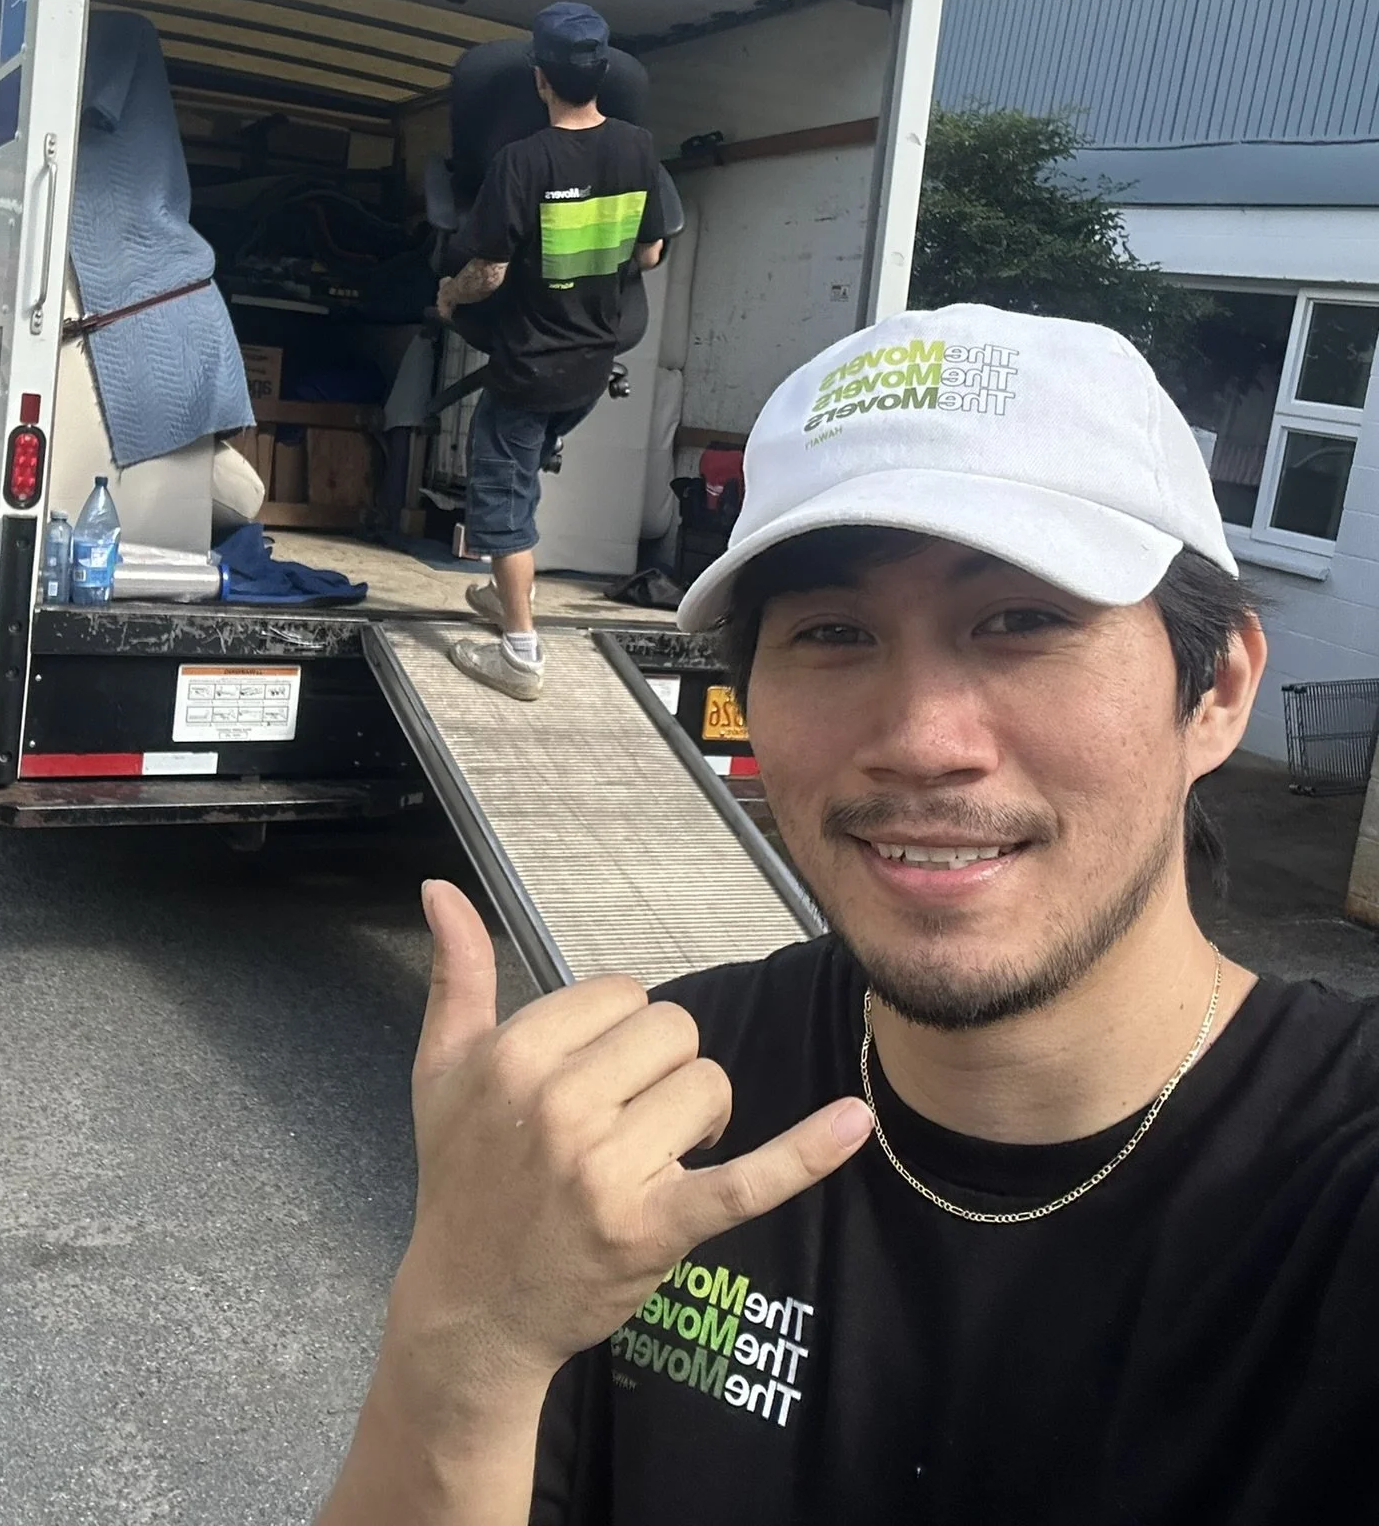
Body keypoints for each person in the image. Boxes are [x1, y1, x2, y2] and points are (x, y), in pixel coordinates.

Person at [318, 302, 1379, 1526]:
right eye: (833, 632)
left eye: (1023, 620)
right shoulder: (653, 1109)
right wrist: (463, 1339)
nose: (922, 741)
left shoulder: (1336, 1191)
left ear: (1218, 690)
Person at [437, 1, 664, 701]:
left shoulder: (521, 161)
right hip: (592, 366)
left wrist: (449, 293)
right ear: (600, 74)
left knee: (502, 506)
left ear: (540, 77)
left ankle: (520, 654)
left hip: (529, 364)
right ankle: (508, 600)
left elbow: (491, 272)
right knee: (526, 474)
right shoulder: (637, 147)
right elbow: (651, 252)